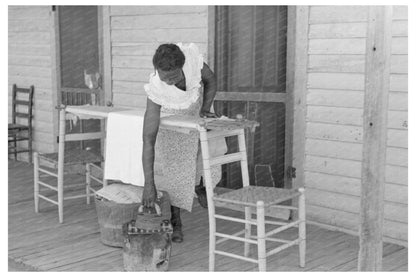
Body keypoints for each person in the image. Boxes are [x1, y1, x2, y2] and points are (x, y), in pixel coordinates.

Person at [141, 43, 226, 243]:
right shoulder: (156, 89)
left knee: (210, 147)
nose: (169, 82)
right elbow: (148, 140)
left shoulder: (193, 62)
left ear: (183, 66)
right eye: (165, 77)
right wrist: (148, 184)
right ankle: (176, 221)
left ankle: (202, 185)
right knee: (177, 167)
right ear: (156, 71)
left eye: (174, 77)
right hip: (174, 118)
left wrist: (205, 107)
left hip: (197, 108)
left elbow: (211, 81)